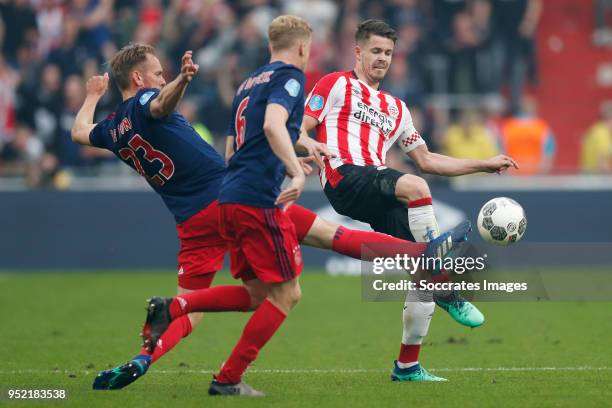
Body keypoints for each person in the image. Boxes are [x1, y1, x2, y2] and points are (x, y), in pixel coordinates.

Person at [71, 41, 470, 391]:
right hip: (231, 201)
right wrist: (183, 80)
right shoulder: (146, 101)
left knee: (221, 301)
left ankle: (145, 357)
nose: (163, 77)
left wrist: (92, 96)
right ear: (139, 78)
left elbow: (79, 133)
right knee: (324, 238)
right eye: (158, 73)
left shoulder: (113, 128)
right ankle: (421, 255)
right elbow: (159, 104)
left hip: (191, 223)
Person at [301, 19, 518, 381]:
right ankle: (447, 283)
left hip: (373, 188)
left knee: (421, 278)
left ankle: (408, 365)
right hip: (345, 176)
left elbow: (428, 160)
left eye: (387, 52)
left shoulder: (397, 108)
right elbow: (301, 126)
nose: (382, 58)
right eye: (375, 51)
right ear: (358, 51)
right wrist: (305, 145)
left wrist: (484, 163)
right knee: (417, 188)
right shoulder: (335, 84)